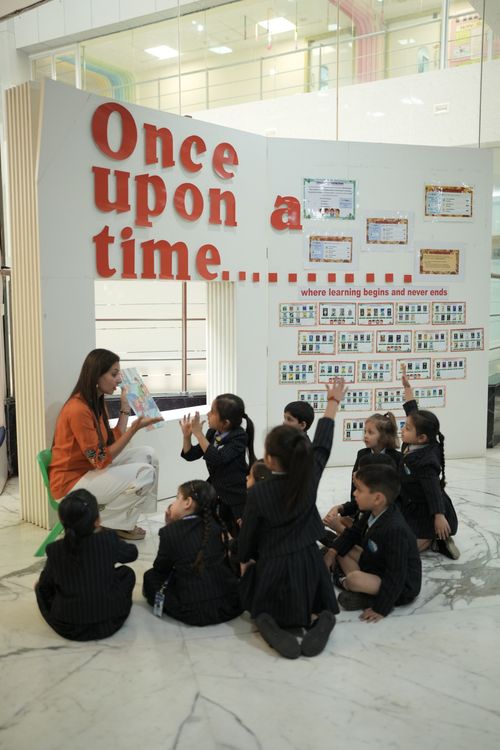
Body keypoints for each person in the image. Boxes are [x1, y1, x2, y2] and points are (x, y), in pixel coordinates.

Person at [238, 378, 347, 660]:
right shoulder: (308, 478)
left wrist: (244, 558)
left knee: (259, 605)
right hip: (309, 560)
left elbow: (249, 533)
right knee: (318, 602)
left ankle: (268, 623)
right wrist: (332, 403)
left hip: (273, 562)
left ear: (270, 460)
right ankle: (322, 618)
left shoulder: (258, 492)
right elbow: (322, 446)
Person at [49, 349, 162, 540]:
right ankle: (109, 524)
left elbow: (111, 442)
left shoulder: (95, 402)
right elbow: (101, 459)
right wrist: (133, 429)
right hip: (71, 482)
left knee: (149, 454)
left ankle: (123, 521)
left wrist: (124, 409)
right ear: (96, 376)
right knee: (145, 473)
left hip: (90, 470)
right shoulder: (78, 409)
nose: (119, 379)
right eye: (114, 374)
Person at [35, 489, 137, 640]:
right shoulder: (108, 540)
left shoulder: (55, 549)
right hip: (110, 620)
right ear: (97, 521)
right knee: (127, 573)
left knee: (40, 587)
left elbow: (45, 585)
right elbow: (132, 553)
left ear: (61, 520)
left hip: (69, 627)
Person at [326, 462, 421, 621]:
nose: (354, 493)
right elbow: (352, 534)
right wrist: (331, 552)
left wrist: (381, 609)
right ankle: (359, 589)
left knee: (354, 579)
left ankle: (348, 584)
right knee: (341, 549)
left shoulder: (395, 529)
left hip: (400, 586)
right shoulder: (372, 512)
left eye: (359, 490)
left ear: (377, 498)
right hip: (377, 564)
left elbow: (396, 574)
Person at [142, 480, 242, 626]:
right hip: (230, 606)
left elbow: (161, 569)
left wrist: (170, 525)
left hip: (194, 612)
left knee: (150, 577)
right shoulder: (217, 526)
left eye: (177, 498)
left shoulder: (170, 532)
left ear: (187, 502)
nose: (173, 503)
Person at [399, 366, 459, 559]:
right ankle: (436, 538)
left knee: (408, 548)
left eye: (407, 428)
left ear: (422, 438)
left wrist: (439, 516)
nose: (402, 430)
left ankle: (438, 537)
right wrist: (407, 388)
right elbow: (413, 411)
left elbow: (433, 490)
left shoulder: (425, 462)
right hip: (411, 499)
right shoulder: (417, 441)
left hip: (427, 509)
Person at [180, 394, 256, 530]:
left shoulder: (239, 437)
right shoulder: (213, 432)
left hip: (235, 495)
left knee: (237, 530)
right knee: (217, 526)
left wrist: (199, 434)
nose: (208, 414)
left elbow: (218, 458)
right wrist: (187, 437)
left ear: (225, 422)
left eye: (213, 411)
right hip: (218, 489)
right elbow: (190, 455)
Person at [323, 412, 401, 536]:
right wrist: (341, 508)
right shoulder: (362, 454)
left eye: (370, 432)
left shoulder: (397, 458)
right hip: (363, 510)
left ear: (384, 436)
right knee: (341, 520)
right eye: (364, 432)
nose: (365, 436)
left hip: (380, 514)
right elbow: (355, 489)